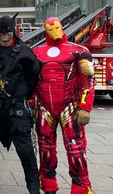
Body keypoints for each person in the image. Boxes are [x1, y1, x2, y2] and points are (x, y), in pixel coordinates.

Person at [0, 16, 40, 194]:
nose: (5, 35)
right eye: (2, 31)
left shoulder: (26, 53)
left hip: (16, 106)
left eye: (8, 31)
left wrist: (22, 95)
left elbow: (33, 77)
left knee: (25, 149)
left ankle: (34, 188)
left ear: (14, 31)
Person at [32, 17, 95, 194]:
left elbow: (88, 80)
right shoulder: (36, 52)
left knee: (76, 148)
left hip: (71, 106)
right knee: (45, 148)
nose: (55, 32)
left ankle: (82, 187)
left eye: (56, 28)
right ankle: (48, 184)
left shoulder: (79, 51)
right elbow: (32, 81)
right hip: (45, 107)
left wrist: (84, 107)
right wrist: (32, 105)